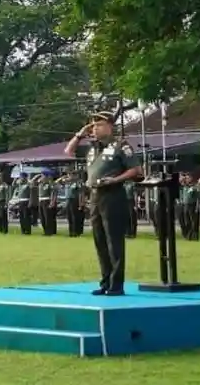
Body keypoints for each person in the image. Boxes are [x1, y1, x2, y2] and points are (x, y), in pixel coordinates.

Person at [66, 111, 141, 296]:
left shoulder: (120, 146)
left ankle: (116, 285)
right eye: (92, 125)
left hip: (113, 195)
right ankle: (105, 281)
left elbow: (136, 170)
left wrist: (115, 180)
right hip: (94, 196)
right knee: (99, 241)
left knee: (113, 241)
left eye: (98, 124)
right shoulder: (92, 148)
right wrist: (80, 134)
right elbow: (68, 151)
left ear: (110, 126)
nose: (95, 128)